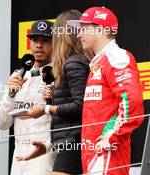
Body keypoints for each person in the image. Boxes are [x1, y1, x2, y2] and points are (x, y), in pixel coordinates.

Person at [67, 6, 144, 175]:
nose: (79, 34)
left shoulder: (116, 57)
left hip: (108, 154)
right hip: (94, 154)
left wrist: (112, 136)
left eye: (84, 29)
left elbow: (132, 102)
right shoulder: (98, 63)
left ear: (100, 29)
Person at [18, 10, 90, 175]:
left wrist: (45, 109)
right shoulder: (72, 63)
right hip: (68, 143)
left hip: (73, 144)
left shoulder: (74, 63)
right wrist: (49, 146)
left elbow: (80, 106)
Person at [0, 20, 56, 175]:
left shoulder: (60, 74)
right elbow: (2, 123)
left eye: (45, 41)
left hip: (45, 154)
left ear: (55, 44)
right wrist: (10, 95)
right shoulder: (18, 74)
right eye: (35, 40)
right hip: (19, 156)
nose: (39, 45)